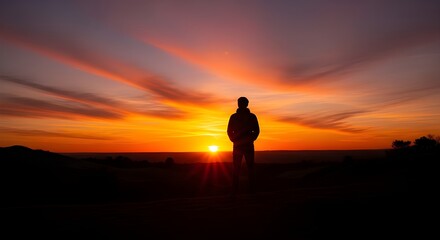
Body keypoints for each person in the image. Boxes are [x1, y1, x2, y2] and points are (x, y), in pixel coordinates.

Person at [227, 96, 260, 197]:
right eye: (239, 102)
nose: (240, 104)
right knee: (236, 168)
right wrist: (234, 140)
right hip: (238, 146)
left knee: (250, 168)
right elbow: (229, 131)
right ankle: (234, 192)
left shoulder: (252, 117)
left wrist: (250, 139)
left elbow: (257, 130)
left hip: (248, 145)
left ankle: (252, 191)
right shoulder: (233, 117)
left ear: (246, 104)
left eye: (242, 102)